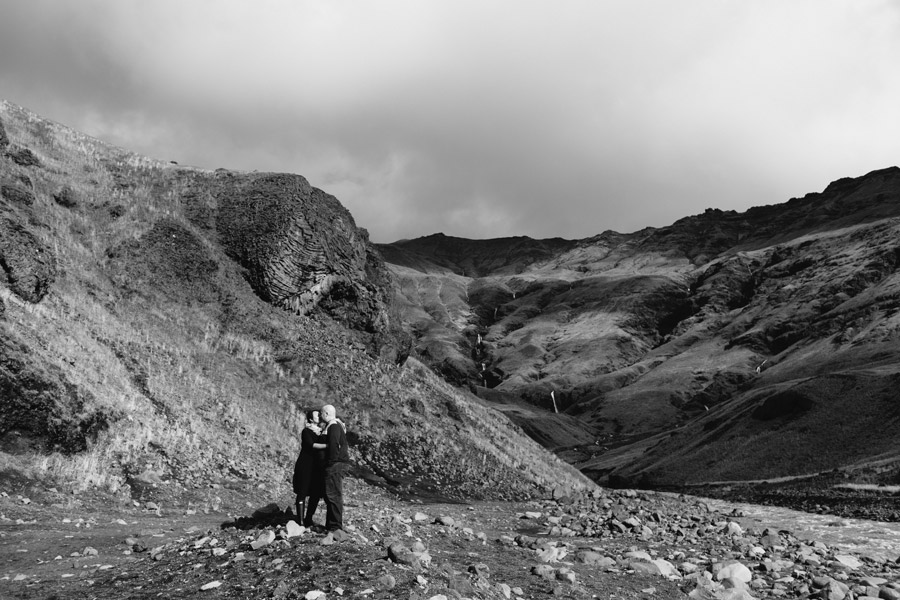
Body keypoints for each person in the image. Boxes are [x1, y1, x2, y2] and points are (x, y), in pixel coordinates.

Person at [292, 410, 326, 526]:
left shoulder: (321, 432)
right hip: (305, 465)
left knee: (315, 493)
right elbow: (311, 445)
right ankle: (300, 521)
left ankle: (309, 518)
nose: (320, 416)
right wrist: (328, 445)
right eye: (317, 415)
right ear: (311, 419)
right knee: (302, 491)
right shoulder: (306, 431)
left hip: (316, 466)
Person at [320, 404, 350, 532]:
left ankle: (335, 526)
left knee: (333, 495)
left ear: (326, 414)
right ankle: (331, 524)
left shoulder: (333, 426)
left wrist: (330, 462)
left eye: (321, 414)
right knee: (331, 494)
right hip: (338, 463)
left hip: (335, 464)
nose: (321, 416)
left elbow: (333, 445)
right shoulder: (336, 426)